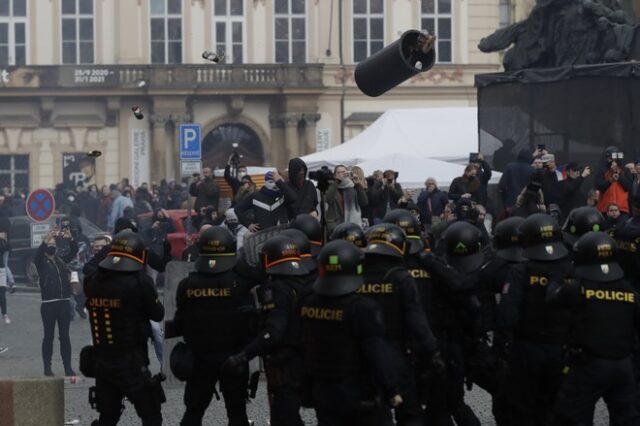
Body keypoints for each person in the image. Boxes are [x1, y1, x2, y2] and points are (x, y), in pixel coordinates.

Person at [300, 239, 403, 425]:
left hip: (323, 390)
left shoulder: (309, 305)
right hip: (359, 392)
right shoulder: (363, 308)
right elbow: (376, 353)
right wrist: (391, 390)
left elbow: (306, 349)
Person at [549, 232, 640, 425]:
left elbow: (553, 298)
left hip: (589, 364)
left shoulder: (577, 288)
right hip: (623, 365)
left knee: (571, 416)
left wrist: (561, 275)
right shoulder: (628, 291)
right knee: (628, 419)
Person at [169, 227, 255, 426]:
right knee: (237, 415)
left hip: (199, 359)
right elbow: (250, 320)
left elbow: (180, 321)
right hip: (233, 358)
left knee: (193, 413)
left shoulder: (187, 284)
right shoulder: (240, 283)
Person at [494, 213, 573, 426]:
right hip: (562, 350)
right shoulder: (570, 269)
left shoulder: (521, 270)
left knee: (523, 408)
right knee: (556, 406)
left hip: (526, 349)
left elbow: (507, 313)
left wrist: (500, 349)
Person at [224, 235, 311, 426]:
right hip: (308, 359)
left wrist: (244, 355)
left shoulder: (277, 289)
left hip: (285, 364)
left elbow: (274, 332)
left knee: (284, 418)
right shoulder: (307, 285)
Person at [82, 230, 165, 426]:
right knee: (151, 415)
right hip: (131, 361)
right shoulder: (140, 281)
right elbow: (157, 313)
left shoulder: (93, 281)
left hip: (101, 360)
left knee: (108, 417)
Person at [361, 223, 441, 424]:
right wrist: (432, 352)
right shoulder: (400, 277)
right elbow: (417, 320)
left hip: (364, 358)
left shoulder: (356, 276)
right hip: (397, 353)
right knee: (411, 414)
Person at [35, 228, 78, 377]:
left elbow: (74, 252)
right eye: (49, 243)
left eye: (54, 243)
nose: (52, 245)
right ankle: (47, 367)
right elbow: (39, 253)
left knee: (65, 336)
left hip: (64, 302)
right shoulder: (41, 262)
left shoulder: (60, 260)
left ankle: (68, 367)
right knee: (48, 337)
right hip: (48, 304)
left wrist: (70, 239)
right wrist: (45, 239)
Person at [324, 165, 368, 235]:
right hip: (336, 226)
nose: (342, 174)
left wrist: (357, 185)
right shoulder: (332, 187)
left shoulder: (353, 187)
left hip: (352, 226)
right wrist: (337, 181)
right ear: (335, 175)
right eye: (339, 172)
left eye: (344, 172)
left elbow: (364, 202)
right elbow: (327, 198)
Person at [596, 147, 632, 216]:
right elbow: (599, 186)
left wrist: (618, 174)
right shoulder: (602, 170)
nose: (613, 160)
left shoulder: (624, 170)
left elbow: (628, 187)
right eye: (611, 158)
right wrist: (610, 180)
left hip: (622, 209)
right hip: (605, 209)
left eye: (615, 158)